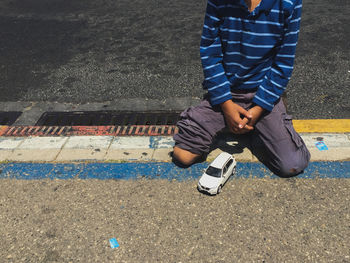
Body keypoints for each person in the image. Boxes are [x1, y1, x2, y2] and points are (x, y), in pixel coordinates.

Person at [172, 0, 310, 177]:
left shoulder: (289, 3)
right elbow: (210, 53)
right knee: (182, 155)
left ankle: (266, 123)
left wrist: (258, 109)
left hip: (263, 93)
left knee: (292, 165)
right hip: (226, 94)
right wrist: (226, 105)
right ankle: (234, 122)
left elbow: (284, 61)